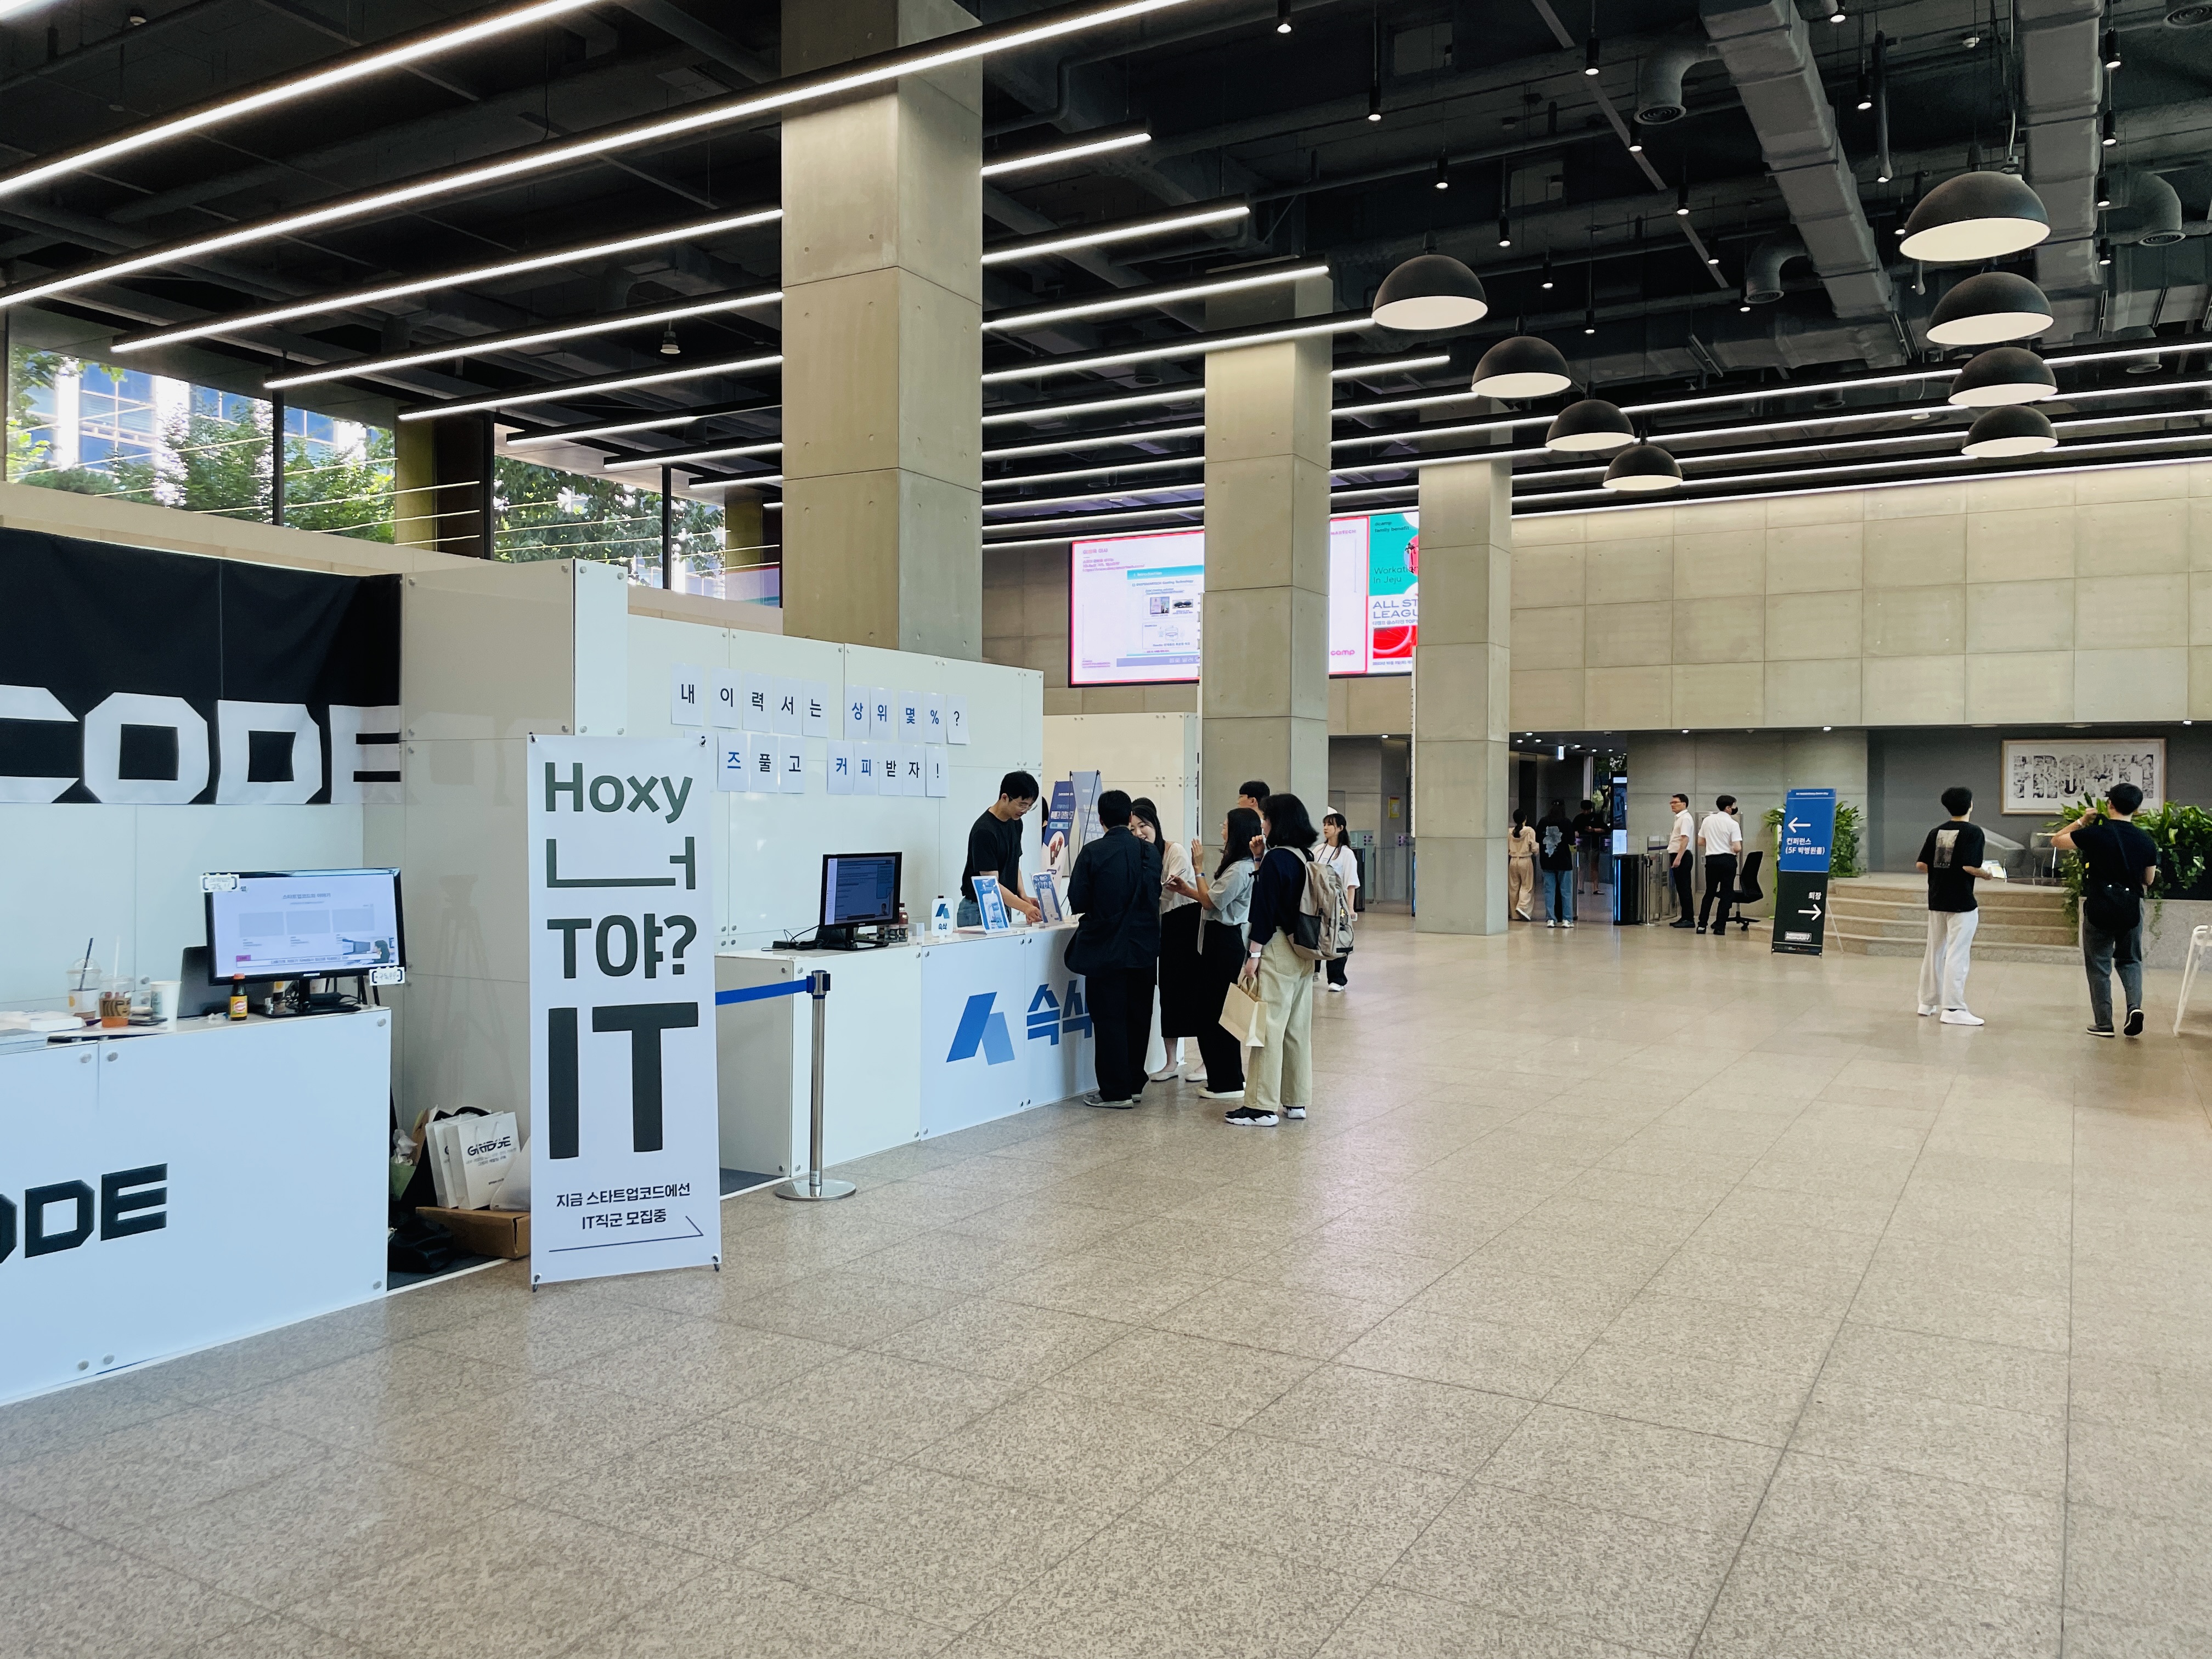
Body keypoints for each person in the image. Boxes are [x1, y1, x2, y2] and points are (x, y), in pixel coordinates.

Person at [1064, 790, 1162, 1107]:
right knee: (1139, 1016)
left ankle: (1115, 1091)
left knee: (1109, 1019)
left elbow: (1078, 900)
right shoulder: (1150, 853)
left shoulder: (1093, 852)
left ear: (1101, 819)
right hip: (1144, 948)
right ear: (1129, 817)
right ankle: (1134, 1083)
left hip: (1106, 948)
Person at [1233, 791, 1318, 1127]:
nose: (1263, 825)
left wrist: (1253, 954)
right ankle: (1296, 1100)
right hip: (1304, 950)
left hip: (1278, 947)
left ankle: (1260, 1107)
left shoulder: (1276, 860)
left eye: (1266, 819)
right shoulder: (1303, 856)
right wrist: (1259, 860)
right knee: (1296, 1028)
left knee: (1268, 1027)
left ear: (1277, 822)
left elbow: (1264, 912)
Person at [2054, 783, 2160, 1037]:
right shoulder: (2146, 840)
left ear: (2109, 804)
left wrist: (2082, 821)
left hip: (2099, 905)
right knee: (2130, 960)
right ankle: (2134, 1008)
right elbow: (2149, 879)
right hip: (2131, 907)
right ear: (2137, 808)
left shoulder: (2096, 834)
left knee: (2099, 965)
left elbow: (2057, 841)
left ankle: (2104, 1024)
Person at [1178, 806, 1261, 1100]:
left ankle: (1226, 1082)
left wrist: (1198, 868)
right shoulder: (1238, 865)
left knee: (1214, 1013)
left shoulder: (1241, 868)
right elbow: (1212, 899)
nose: (1222, 830)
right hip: (1220, 941)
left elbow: (1211, 903)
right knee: (1212, 1011)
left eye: (1226, 826)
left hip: (1225, 943)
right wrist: (1188, 890)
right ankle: (1225, 1078)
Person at [1913, 786, 1996, 1026]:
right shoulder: (1973, 832)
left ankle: (1927, 1002)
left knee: (1935, 951)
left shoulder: (1936, 832)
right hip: (1962, 900)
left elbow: (1921, 865)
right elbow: (1970, 866)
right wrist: (1987, 874)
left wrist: (1943, 871)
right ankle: (1953, 1008)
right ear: (1970, 805)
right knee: (1958, 954)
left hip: (1937, 898)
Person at [1132, 797, 1199, 1080]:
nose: (1139, 833)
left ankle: (1206, 1060)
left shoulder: (1175, 851)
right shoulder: (1137, 855)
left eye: (1143, 826)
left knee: (1193, 992)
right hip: (1159, 927)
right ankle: (1171, 1062)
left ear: (1155, 825)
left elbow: (1170, 891)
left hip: (1185, 924)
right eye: (1132, 829)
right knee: (1168, 993)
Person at [960, 770, 1042, 927]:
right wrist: (1025, 908)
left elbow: (1014, 864)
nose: (1025, 811)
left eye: (1030, 806)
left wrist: (1024, 897)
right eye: (1022, 805)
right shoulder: (985, 831)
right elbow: (991, 884)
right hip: (978, 909)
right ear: (1005, 798)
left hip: (1002, 905)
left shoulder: (1016, 823)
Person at [1318, 811, 1359, 990]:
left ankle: (1337, 979)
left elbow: (1351, 884)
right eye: (1325, 824)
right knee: (1315, 935)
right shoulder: (1319, 850)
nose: (1326, 828)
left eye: (1330, 824)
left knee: (1338, 938)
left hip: (1338, 904)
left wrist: (1350, 909)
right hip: (1318, 902)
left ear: (1340, 828)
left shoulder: (1346, 854)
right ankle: (1313, 971)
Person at [1697, 794, 1742, 934]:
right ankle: (1720, 927)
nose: (1735, 808)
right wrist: (1729, 848)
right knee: (1726, 893)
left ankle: (1702, 926)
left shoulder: (1708, 820)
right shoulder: (1733, 824)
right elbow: (1738, 847)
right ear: (1728, 808)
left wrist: (1713, 845)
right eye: (1734, 806)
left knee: (1709, 893)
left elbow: (1700, 842)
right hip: (1728, 861)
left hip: (1712, 861)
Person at [1536, 798, 1576, 928]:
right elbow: (1571, 841)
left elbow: (1538, 838)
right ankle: (1567, 919)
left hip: (1547, 861)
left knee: (1549, 891)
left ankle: (1551, 919)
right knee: (1566, 892)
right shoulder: (1567, 822)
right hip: (1564, 862)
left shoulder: (1543, 822)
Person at [1667, 793, 1697, 928]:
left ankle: (1689, 919)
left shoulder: (1685, 818)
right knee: (1681, 888)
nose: (1672, 805)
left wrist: (1678, 858)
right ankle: (1685, 917)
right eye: (1671, 803)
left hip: (1682, 856)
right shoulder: (1680, 818)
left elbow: (1685, 839)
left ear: (1684, 804)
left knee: (1684, 888)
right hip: (1679, 855)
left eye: (1675, 802)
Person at [1507, 810, 1537, 921]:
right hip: (1525, 860)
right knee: (1527, 886)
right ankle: (1522, 907)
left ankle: (1514, 914)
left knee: (1513, 887)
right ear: (1525, 818)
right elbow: (1534, 848)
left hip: (1513, 860)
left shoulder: (1510, 832)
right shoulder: (1529, 831)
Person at [1572, 797, 1604, 896]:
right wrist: (1575, 833)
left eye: (1588, 810)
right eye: (1584, 810)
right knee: (1582, 866)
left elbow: (1604, 829)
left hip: (1594, 845)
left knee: (1594, 866)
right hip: (1582, 845)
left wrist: (1593, 830)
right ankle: (1580, 887)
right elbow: (1572, 830)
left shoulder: (1597, 817)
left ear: (1591, 809)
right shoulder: (1578, 818)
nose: (1586, 812)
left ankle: (1596, 888)